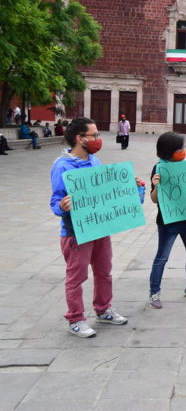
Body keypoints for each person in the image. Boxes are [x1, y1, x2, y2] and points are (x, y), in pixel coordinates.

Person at [50, 117, 144, 337]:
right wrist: (63, 206)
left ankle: (103, 309)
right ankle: (76, 319)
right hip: (77, 233)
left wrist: (130, 187)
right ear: (79, 138)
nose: (98, 139)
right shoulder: (62, 166)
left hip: (100, 229)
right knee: (77, 277)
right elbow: (55, 202)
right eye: (94, 135)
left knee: (104, 272)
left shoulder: (95, 162)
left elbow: (103, 194)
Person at [147, 132, 186, 309]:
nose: (183, 151)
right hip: (168, 221)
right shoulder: (159, 168)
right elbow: (154, 199)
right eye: (180, 149)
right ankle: (154, 293)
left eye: (183, 148)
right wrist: (156, 186)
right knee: (162, 257)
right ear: (169, 151)